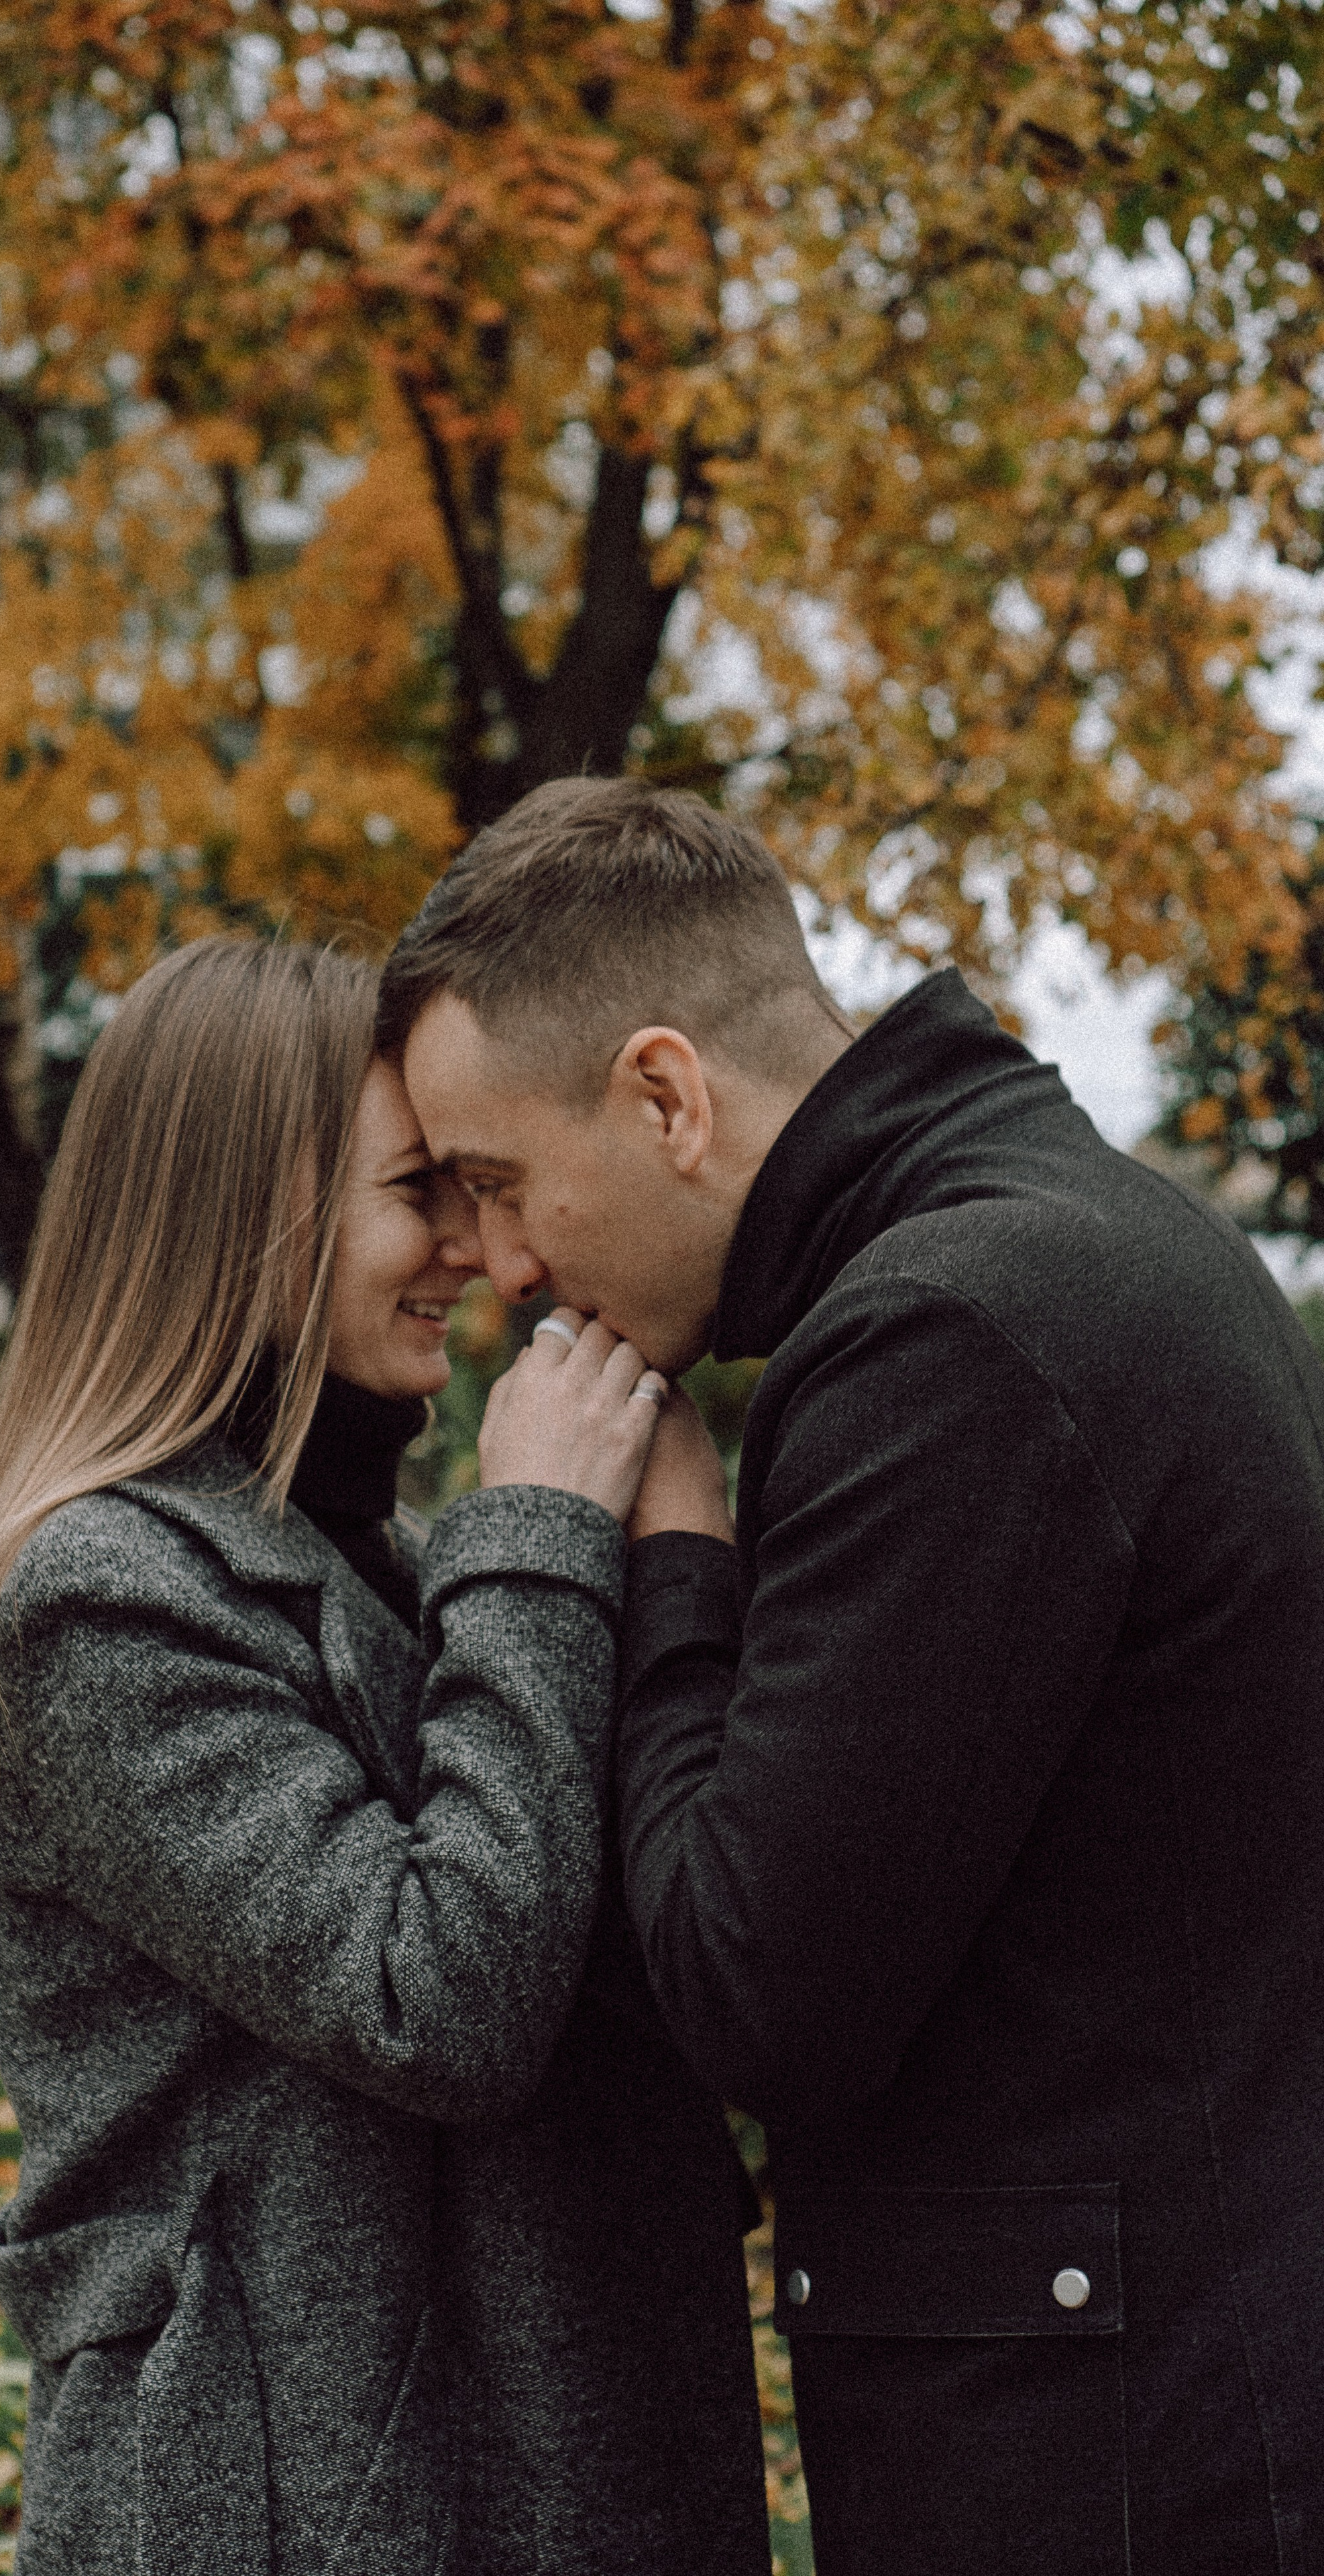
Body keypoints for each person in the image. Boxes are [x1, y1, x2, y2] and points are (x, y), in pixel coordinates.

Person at [380, 774, 1324, 2576]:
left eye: (499, 1185)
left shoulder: (949, 1329)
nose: (498, 1264)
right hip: (1169, 2390)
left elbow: (759, 1993)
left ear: (665, 1095)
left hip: (1100, 2464)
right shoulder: (1093, 1234)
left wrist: (665, 1563)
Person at [0, 936, 767, 2576]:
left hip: (551, 2450)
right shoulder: (102, 1600)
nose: (473, 1249)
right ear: (250, 1223)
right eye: (414, 1192)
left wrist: (674, 1576)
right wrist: (537, 1539)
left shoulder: (406, 1562)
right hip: (301, 2491)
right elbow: (434, 2000)